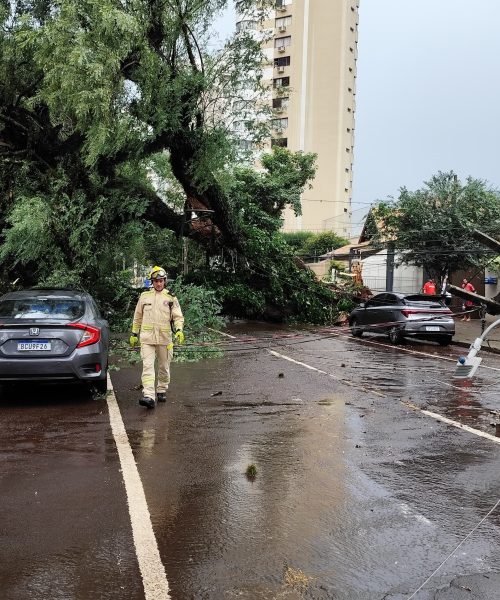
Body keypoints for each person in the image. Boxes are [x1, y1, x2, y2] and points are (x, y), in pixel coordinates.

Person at [130, 266, 185, 409]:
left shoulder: (171, 298)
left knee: (164, 367)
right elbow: (137, 317)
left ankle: (161, 389)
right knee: (147, 367)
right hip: (147, 339)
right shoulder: (144, 297)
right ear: (152, 282)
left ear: (165, 281)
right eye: (156, 281)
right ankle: (149, 396)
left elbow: (178, 317)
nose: (158, 284)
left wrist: (179, 330)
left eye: (161, 281)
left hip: (165, 339)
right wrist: (134, 333)